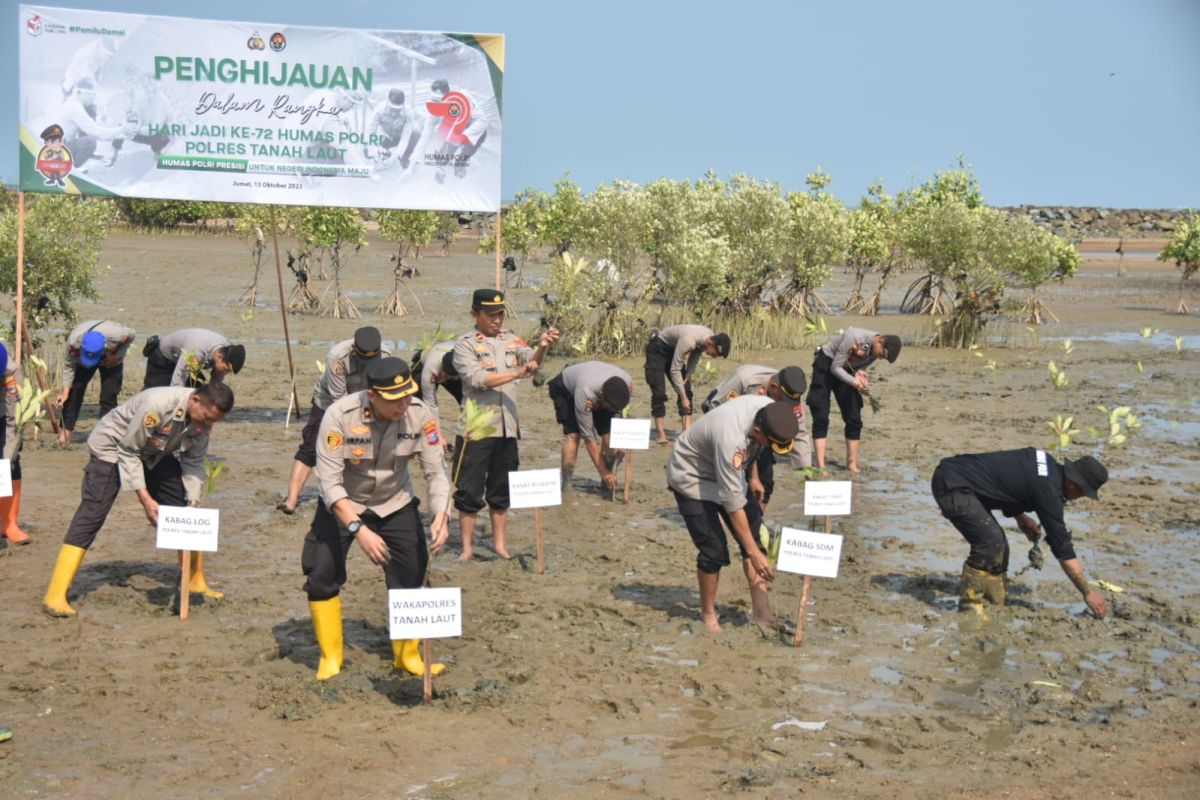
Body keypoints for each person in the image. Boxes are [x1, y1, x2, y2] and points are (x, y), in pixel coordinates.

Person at [302, 358, 450, 681]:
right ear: (372, 394)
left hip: (394, 501)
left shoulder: (421, 416)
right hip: (344, 504)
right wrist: (359, 529)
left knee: (412, 572)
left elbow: (436, 471)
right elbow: (329, 483)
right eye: (395, 399)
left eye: (408, 395)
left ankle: (407, 656)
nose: (404, 404)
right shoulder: (339, 416)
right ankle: (331, 658)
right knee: (321, 572)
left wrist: (441, 512)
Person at [43, 382, 235, 617]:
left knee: (182, 505)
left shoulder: (203, 422)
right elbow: (128, 451)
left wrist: (193, 503)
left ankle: (195, 580)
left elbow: (193, 462)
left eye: (213, 421)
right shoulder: (157, 406)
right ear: (195, 400)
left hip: (153, 452)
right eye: (205, 417)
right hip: (113, 448)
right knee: (93, 512)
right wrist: (146, 500)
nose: (207, 425)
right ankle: (55, 594)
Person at [667, 396, 799, 632]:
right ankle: (708, 616)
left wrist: (754, 477)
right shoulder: (732, 439)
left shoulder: (770, 410)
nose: (770, 448)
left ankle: (763, 614)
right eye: (770, 443)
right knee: (714, 550)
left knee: (758, 536)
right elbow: (732, 502)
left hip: (728, 472)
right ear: (759, 430)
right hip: (692, 475)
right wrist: (752, 553)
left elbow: (757, 447)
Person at [931, 448, 1110, 618]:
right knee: (990, 545)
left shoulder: (1044, 461)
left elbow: (1009, 483)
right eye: (1084, 493)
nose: (1080, 497)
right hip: (952, 484)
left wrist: (1021, 517)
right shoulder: (1049, 493)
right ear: (1074, 485)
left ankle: (993, 604)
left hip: (958, 473)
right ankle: (970, 609)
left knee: (1000, 548)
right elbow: (1063, 549)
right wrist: (1088, 592)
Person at [452, 289, 559, 560]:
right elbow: (478, 379)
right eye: (490, 315)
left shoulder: (512, 339)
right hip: (476, 429)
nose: (497, 321)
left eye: (500, 315)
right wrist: (516, 373)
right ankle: (467, 548)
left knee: (501, 489)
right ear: (475, 314)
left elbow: (530, 361)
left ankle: (499, 544)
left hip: (507, 428)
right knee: (469, 490)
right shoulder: (464, 345)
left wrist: (543, 346)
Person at [279, 327, 389, 514]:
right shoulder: (337, 357)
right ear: (354, 350)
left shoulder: (386, 356)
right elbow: (340, 401)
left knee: (363, 448)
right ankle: (290, 501)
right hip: (329, 401)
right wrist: (355, 427)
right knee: (311, 448)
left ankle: (356, 497)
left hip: (367, 401)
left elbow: (382, 391)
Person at [702, 364, 811, 512]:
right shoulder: (745, 380)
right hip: (728, 430)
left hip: (761, 433)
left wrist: (807, 474)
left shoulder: (791, 393)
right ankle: (722, 518)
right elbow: (716, 410)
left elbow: (799, 433)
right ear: (773, 386)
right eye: (783, 399)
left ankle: (757, 523)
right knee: (729, 478)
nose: (785, 405)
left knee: (765, 481)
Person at [807, 327, 900, 473]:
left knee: (854, 418)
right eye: (881, 354)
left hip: (846, 369)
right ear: (880, 341)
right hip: (827, 364)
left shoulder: (875, 350)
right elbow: (835, 368)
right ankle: (821, 466)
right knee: (821, 415)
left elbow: (861, 366)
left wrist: (861, 373)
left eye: (883, 358)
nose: (880, 358)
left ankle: (852, 465)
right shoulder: (854, 337)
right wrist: (854, 382)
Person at [548, 361, 632, 490]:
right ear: (602, 398)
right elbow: (589, 438)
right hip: (565, 389)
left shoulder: (627, 384)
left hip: (596, 388)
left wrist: (621, 448)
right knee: (574, 435)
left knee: (610, 438)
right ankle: (566, 485)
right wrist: (602, 471)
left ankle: (607, 483)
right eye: (608, 407)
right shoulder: (585, 392)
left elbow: (620, 417)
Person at [644, 325, 730, 444]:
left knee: (686, 388)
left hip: (674, 349)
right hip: (658, 349)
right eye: (715, 354)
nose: (714, 357)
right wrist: (682, 396)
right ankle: (661, 434)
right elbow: (675, 370)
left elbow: (696, 353)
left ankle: (687, 432)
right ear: (710, 344)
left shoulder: (709, 335)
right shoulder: (688, 340)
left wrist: (689, 372)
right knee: (659, 392)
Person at [56, 319, 137, 444]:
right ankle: (64, 436)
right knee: (74, 393)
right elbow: (69, 367)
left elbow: (132, 335)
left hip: (111, 357)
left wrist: (117, 356)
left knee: (108, 397)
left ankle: (105, 437)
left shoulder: (118, 334)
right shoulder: (74, 343)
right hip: (84, 356)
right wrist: (65, 391)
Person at [142, 328, 245, 389]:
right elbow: (178, 382)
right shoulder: (196, 351)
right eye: (226, 369)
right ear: (219, 357)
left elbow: (216, 382)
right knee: (155, 394)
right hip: (163, 358)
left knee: (197, 393)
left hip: (187, 361)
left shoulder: (227, 350)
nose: (225, 373)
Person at [0, 345, 30, 545]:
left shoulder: (11, 378)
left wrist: (6, 458)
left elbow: (13, 424)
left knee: (7, 466)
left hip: (3, 417)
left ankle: (8, 523)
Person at [415, 340, 463, 450]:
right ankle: (426, 439)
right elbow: (431, 404)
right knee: (419, 405)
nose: (445, 378)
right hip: (426, 365)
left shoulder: (467, 366)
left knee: (467, 402)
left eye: (449, 376)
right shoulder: (431, 368)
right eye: (444, 373)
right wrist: (438, 436)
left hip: (457, 373)